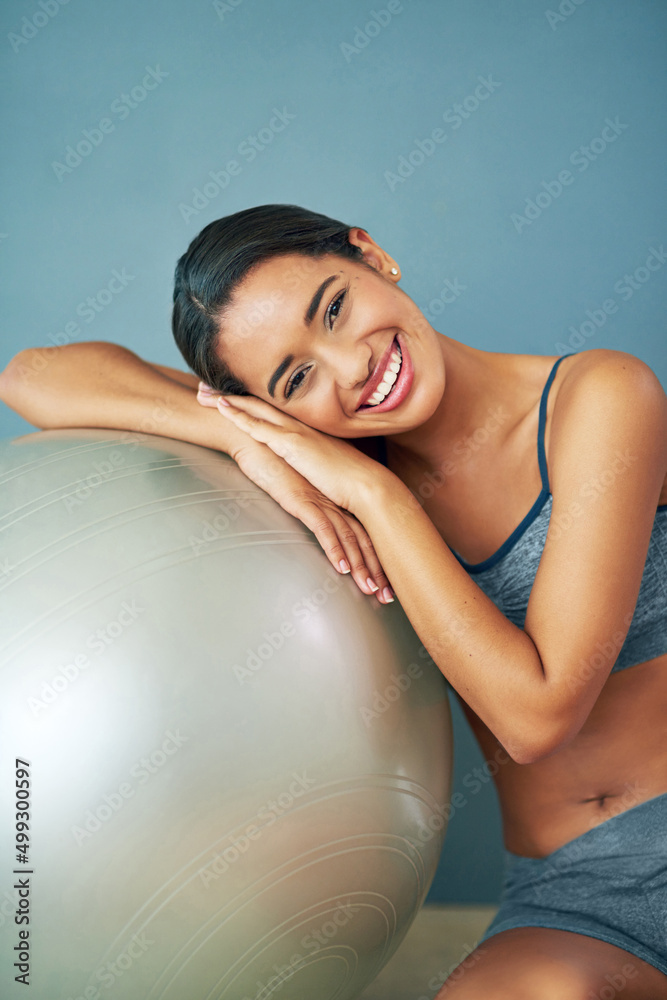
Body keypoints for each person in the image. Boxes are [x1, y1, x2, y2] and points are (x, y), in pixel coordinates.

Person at [2, 204, 666, 998]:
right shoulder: (323, 451)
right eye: (294, 378)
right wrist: (243, 438)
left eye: (334, 309)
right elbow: (32, 374)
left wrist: (374, 495)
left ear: (370, 253)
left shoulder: (599, 395)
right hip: (573, 897)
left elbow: (535, 714)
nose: (348, 368)